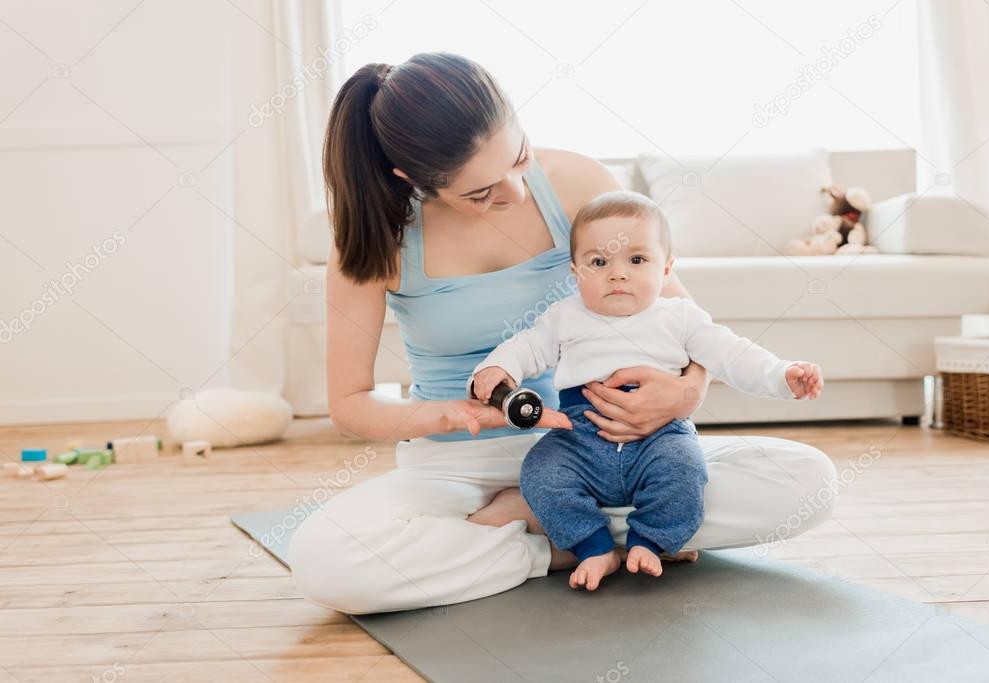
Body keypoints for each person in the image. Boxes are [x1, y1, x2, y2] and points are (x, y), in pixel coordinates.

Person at [288, 52, 837, 615]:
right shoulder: (376, 236)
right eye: (481, 193)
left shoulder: (577, 182)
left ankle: (564, 531)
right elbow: (349, 403)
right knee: (327, 563)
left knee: (808, 481)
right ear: (413, 180)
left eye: (519, 158)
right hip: (457, 466)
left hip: (605, 443)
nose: (516, 193)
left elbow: (684, 321)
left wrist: (686, 393)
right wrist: (454, 414)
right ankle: (563, 544)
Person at [469, 190, 823, 591]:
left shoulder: (680, 317)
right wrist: (498, 367)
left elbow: (732, 353)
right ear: (576, 273)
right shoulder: (565, 316)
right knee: (540, 472)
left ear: (667, 268)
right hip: (579, 437)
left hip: (660, 437)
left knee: (685, 468)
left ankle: (652, 541)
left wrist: (782, 375)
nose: (618, 274)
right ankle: (593, 546)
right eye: (599, 262)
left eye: (636, 260)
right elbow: (527, 346)